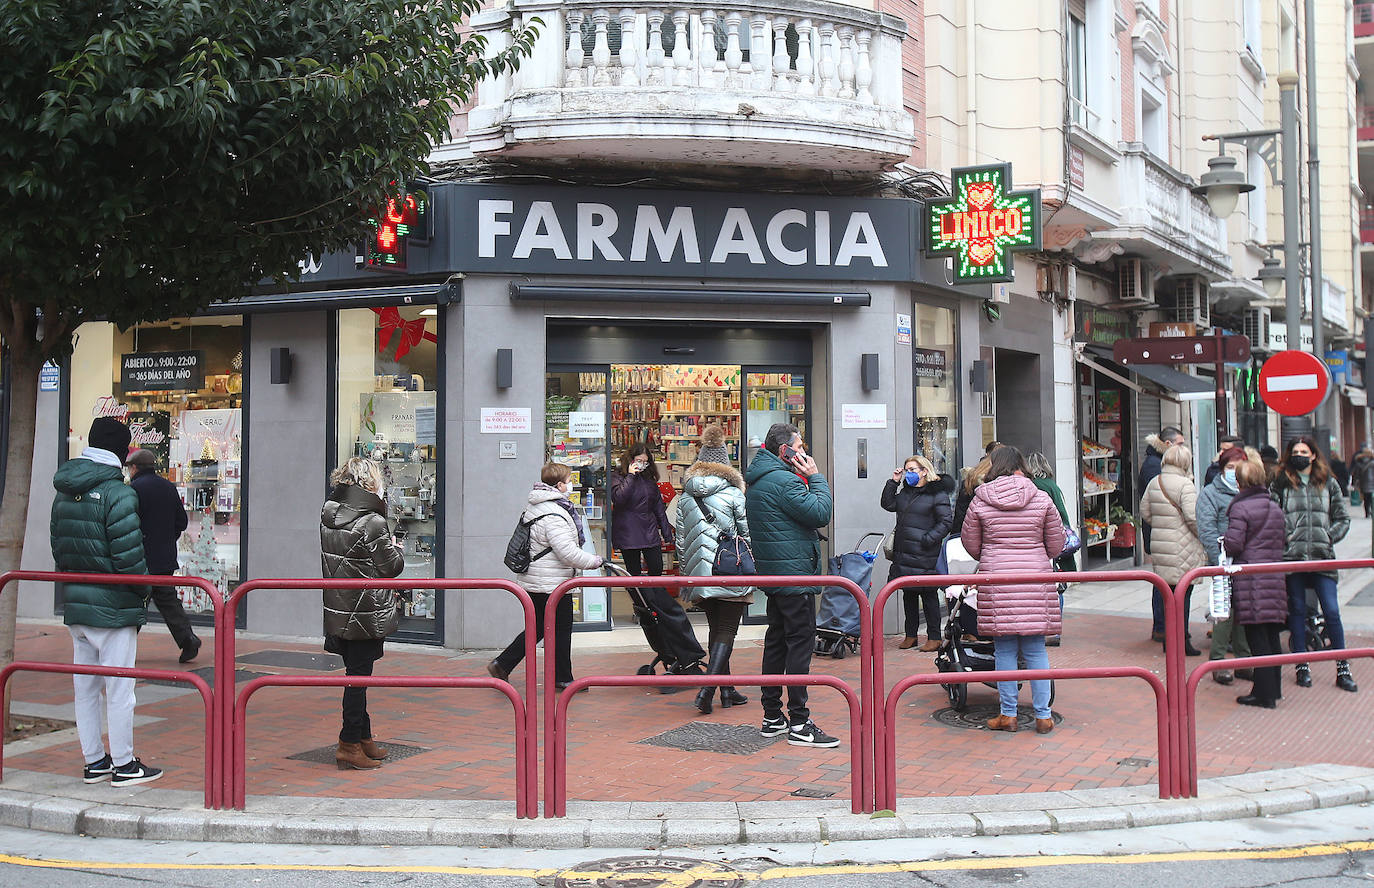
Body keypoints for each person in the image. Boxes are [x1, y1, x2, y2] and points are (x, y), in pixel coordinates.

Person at [50, 417, 162, 786]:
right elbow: (130, 557)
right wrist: (143, 590)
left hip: (78, 603)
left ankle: (95, 761)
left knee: (85, 689)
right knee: (119, 689)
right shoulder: (118, 492)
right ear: (120, 450)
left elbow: (58, 547)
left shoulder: (64, 490)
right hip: (113, 605)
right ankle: (125, 765)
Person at [960, 446, 1066, 734]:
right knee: (1035, 649)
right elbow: (1057, 544)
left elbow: (970, 543)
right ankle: (1043, 716)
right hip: (1035, 579)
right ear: (1021, 465)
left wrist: (992, 552)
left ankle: (1008, 715)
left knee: (1004, 648)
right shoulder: (1041, 497)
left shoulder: (982, 498)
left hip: (998, 579)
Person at [744, 423, 837, 748]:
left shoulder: (760, 480)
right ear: (786, 450)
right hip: (794, 575)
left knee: (777, 642)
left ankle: (772, 715)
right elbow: (820, 512)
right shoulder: (784, 481)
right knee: (799, 643)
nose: (805, 451)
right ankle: (799, 721)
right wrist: (815, 477)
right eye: (801, 445)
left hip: (777, 575)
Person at [320, 457, 406, 770]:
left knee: (357, 674)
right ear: (371, 483)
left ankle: (363, 736)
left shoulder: (328, 512)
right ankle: (349, 742)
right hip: (365, 610)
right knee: (357, 679)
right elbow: (390, 567)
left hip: (339, 606)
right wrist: (396, 548)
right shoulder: (373, 521)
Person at [489, 463, 608, 690]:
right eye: (568, 480)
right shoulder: (554, 513)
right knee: (560, 630)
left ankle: (503, 664)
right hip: (552, 583)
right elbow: (567, 552)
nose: (571, 484)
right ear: (560, 484)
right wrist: (594, 561)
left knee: (540, 628)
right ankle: (562, 677)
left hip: (538, 579)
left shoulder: (538, 506)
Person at [1271, 437, 1357, 693]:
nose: (1299, 455)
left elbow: (1343, 517)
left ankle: (1343, 668)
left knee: (1331, 611)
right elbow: (1273, 516)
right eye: (1295, 451)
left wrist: (1329, 536)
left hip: (1322, 557)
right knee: (1296, 611)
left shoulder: (1328, 482)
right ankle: (1301, 665)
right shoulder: (1281, 483)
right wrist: (1286, 539)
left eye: (1303, 451)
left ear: (1313, 455)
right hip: (1293, 558)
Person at [676, 459, 752, 714]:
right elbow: (746, 533)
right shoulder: (733, 493)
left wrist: (687, 576)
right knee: (728, 629)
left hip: (700, 573)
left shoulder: (686, 497)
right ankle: (707, 691)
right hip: (730, 568)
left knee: (715, 629)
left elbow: (680, 541)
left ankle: (727, 689)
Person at [1222, 460, 1289, 709]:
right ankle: (1274, 688)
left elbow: (1234, 544)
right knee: (1272, 635)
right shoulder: (1274, 506)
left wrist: (1225, 539)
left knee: (1257, 636)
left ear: (1239, 482)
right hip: (1273, 576)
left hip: (1251, 578)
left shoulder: (1240, 508)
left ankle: (1264, 694)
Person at [125, 449, 200, 664]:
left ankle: (120, 646)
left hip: (139, 556)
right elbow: (181, 522)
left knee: (134, 601)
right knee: (167, 600)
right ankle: (188, 638)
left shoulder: (134, 489)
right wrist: (167, 538)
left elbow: (128, 523)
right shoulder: (168, 487)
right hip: (164, 556)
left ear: (135, 468)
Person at [881, 455, 954, 652]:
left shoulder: (937, 494)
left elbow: (946, 522)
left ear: (924, 471)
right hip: (904, 551)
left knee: (928, 594)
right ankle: (910, 634)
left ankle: (934, 637)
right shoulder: (906, 492)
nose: (909, 473)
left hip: (925, 552)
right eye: (907, 470)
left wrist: (928, 539)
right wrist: (893, 482)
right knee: (908, 593)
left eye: (913, 469)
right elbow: (888, 504)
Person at [1139, 444, 1207, 655]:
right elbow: (1193, 518)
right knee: (1183, 596)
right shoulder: (1186, 485)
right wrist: (1202, 536)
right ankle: (1182, 641)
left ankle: (1169, 639)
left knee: (1167, 594)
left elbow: (1145, 511)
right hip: (1183, 546)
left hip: (1161, 545)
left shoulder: (1155, 482)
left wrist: (1162, 525)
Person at [1194, 445, 1253, 684]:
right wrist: (1219, 558)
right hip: (1222, 560)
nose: (1234, 471)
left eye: (1238, 467)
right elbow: (1206, 528)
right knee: (1223, 611)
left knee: (1242, 611)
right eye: (1230, 467)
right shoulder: (1210, 493)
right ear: (1222, 468)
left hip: (1245, 560)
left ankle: (1243, 660)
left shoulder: (1247, 490)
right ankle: (1218, 662)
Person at [1025, 451, 1074, 647]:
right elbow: (1062, 515)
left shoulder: (1030, 486)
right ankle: (1054, 631)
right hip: (1054, 543)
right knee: (1056, 587)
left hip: (1035, 543)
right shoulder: (1052, 486)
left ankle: (1042, 628)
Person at [610, 443, 674, 590]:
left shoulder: (648, 479)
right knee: (633, 574)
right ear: (631, 459)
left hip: (648, 529)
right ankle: (641, 605)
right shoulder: (618, 476)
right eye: (639, 460)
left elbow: (658, 507)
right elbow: (619, 498)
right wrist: (631, 476)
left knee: (656, 568)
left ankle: (653, 604)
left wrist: (667, 533)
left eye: (646, 462)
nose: (643, 464)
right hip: (628, 530)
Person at [1137, 426, 1184, 555]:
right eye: (1180, 444)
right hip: (1164, 535)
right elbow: (1152, 502)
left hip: (1167, 534)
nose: (1183, 449)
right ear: (1168, 444)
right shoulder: (1154, 465)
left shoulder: (1162, 462)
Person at [951, 452, 995, 536]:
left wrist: (955, 535)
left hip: (970, 533)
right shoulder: (999, 484)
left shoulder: (970, 481)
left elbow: (960, 514)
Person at [1353, 447, 1374, 518]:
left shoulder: (1359, 462)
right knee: (1371, 498)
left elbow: (1356, 474)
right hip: (1372, 483)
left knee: (1366, 499)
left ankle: (1367, 513)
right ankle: (1371, 511)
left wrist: (1355, 483)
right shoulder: (1372, 462)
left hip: (1363, 483)